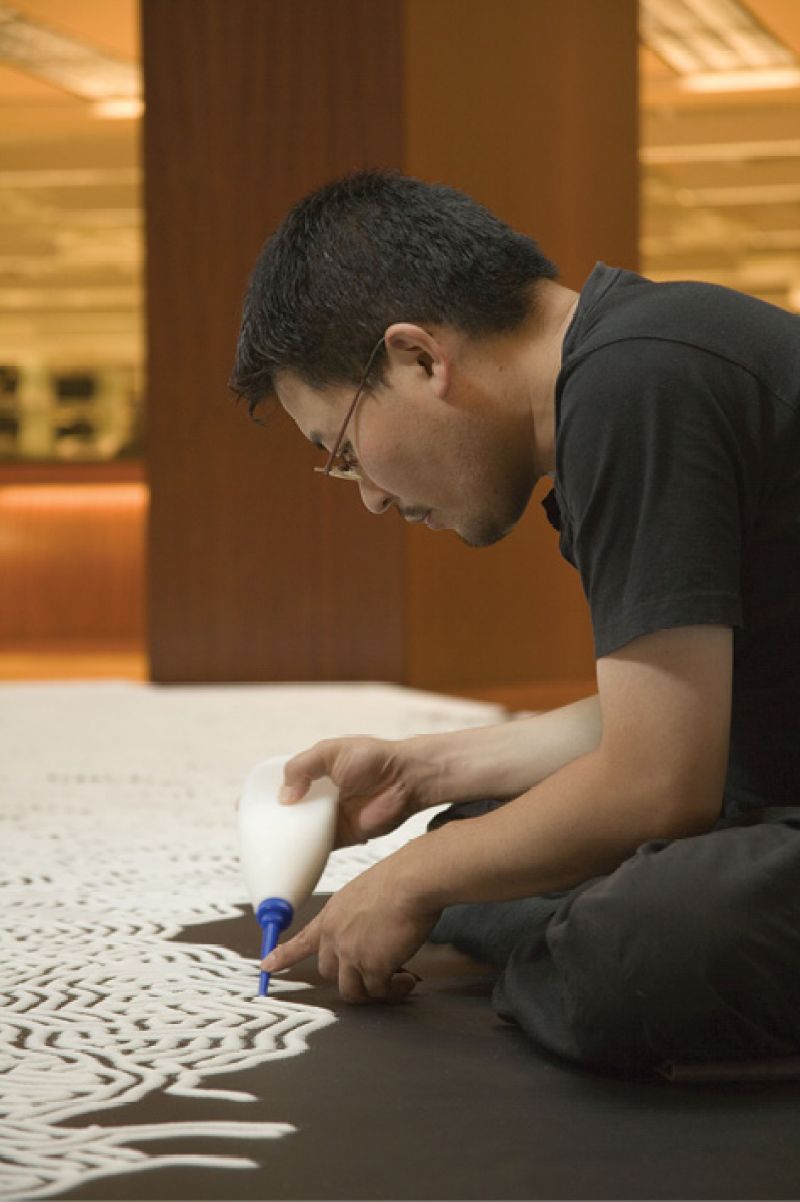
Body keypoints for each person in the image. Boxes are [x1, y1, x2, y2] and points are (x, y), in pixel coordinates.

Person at [230, 169, 800, 1077]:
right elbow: (679, 711)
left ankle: (573, 955)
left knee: (640, 945)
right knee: (480, 829)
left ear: (418, 357)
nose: (372, 499)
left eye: (340, 452)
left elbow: (660, 784)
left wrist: (416, 879)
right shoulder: (627, 363)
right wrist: (427, 769)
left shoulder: (637, 383)